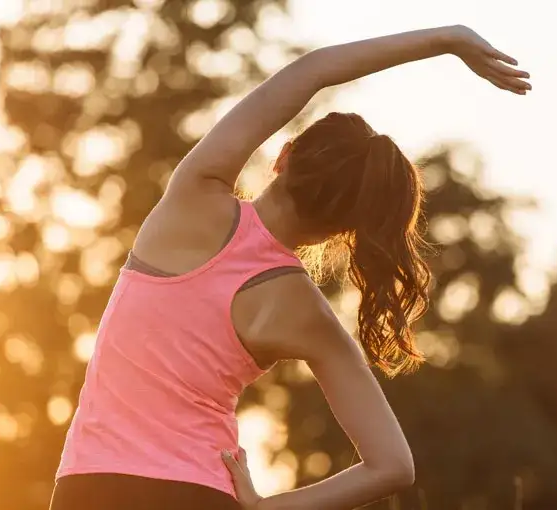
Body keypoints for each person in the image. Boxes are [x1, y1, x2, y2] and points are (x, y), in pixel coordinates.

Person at [49, 24, 530, 510]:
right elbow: (393, 466)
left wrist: (445, 40)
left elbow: (313, 71)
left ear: (284, 155)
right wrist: (264, 508)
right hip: (201, 493)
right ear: (344, 229)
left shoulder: (195, 196)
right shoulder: (308, 314)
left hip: (90, 487)